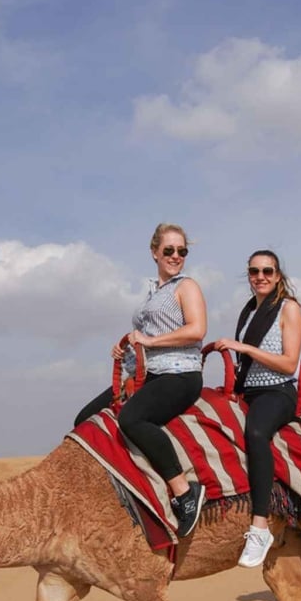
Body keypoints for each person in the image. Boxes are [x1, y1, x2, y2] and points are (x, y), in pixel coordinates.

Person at [74, 223, 207, 537]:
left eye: (182, 251)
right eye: (169, 250)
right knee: (84, 419)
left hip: (180, 374)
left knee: (132, 419)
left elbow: (197, 330)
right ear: (154, 252)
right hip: (146, 374)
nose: (176, 256)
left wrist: (148, 341)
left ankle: (184, 491)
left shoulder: (186, 286)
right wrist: (125, 347)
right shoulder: (153, 291)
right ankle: (113, 494)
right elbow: (147, 335)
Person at [211, 250, 301, 568]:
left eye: (267, 271)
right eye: (254, 271)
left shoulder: (288, 309)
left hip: (277, 391)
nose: (260, 276)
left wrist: (245, 348)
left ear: (278, 275)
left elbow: (290, 362)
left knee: (255, 431)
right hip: (247, 391)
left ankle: (260, 525)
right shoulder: (249, 310)